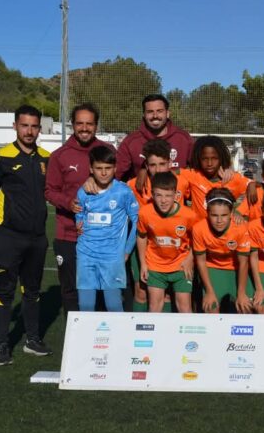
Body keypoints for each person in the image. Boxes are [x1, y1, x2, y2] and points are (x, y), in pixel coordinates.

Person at [0, 105, 52, 366]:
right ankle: (2, 345)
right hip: (8, 237)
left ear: (39, 129)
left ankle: (32, 339)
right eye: (24, 125)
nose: (29, 131)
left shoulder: (47, 158)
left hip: (37, 238)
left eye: (34, 126)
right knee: (4, 291)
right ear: (15, 126)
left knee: (32, 291)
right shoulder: (1, 158)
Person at [45, 103, 115, 316]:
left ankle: (100, 334)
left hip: (102, 235)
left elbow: (119, 185)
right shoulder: (59, 155)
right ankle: (74, 334)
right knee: (71, 290)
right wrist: (69, 203)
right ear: (72, 124)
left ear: (96, 125)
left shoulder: (109, 151)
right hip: (69, 235)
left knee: (102, 290)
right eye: (80, 123)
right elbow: (49, 191)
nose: (84, 128)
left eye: (89, 124)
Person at [127, 139, 190, 312]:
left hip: (172, 247)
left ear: (170, 163)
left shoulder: (182, 181)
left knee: (167, 294)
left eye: (162, 164)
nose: (158, 169)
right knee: (141, 291)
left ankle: (165, 328)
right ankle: (140, 327)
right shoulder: (134, 184)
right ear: (146, 165)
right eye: (153, 165)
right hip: (145, 244)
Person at [75, 146, 139, 312]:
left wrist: (127, 250)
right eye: (99, 168)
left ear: (115, 168)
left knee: (113, 305)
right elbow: (79, 216)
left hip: (112, 257)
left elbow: (137, 222)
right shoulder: (84, 192)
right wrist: (78, 224)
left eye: (108, 168)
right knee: (86, 305)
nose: (103, 173)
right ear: (91, 169)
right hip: (86, 254)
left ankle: (118, 331)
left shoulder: (123, 192)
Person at [136, 171, 196, 313]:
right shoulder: (145, 213)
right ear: (152, 194)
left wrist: (190, 259)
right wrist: (143, 263)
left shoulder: (189, 216)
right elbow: (142, 237)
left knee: (184, 307)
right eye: (159, 195)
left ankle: (188, 329)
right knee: (155, 306)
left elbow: (198, 240)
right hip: (155, 264)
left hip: (181, 264)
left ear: (175, 194)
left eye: (168, 195)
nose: (163, 200)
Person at [192, 187, 253, 314]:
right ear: (207, 213)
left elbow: (243, 262)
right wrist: (209, 292)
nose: (219, 220)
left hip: (236, 268)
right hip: (212, 268)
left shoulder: (241, 228)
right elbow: (201, 262)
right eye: (214, 215)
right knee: (211, 307)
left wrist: (241, 293)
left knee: (246, 306)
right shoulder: (199, 229)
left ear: (231, 214)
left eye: (224, 215)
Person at [116, 94, 193, 183]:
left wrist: (175, 173)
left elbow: (197, 171)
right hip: (142, 192)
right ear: (144, 115)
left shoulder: (184, 138)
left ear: (167, 113)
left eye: (160, 111)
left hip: (179, 191)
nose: (155, 116)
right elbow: (115, 174)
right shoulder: (131, 141)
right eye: (150, 112)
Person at [182, 135, 250, 219]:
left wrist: (240, 211)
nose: (209, 163)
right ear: (198, 158)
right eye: (204, 159)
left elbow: (257, 189)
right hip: (198, 226)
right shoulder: (193, 174)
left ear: (221, 158)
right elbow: (172, 175)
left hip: (224, 227)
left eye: (214, 158)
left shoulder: (232, 178)